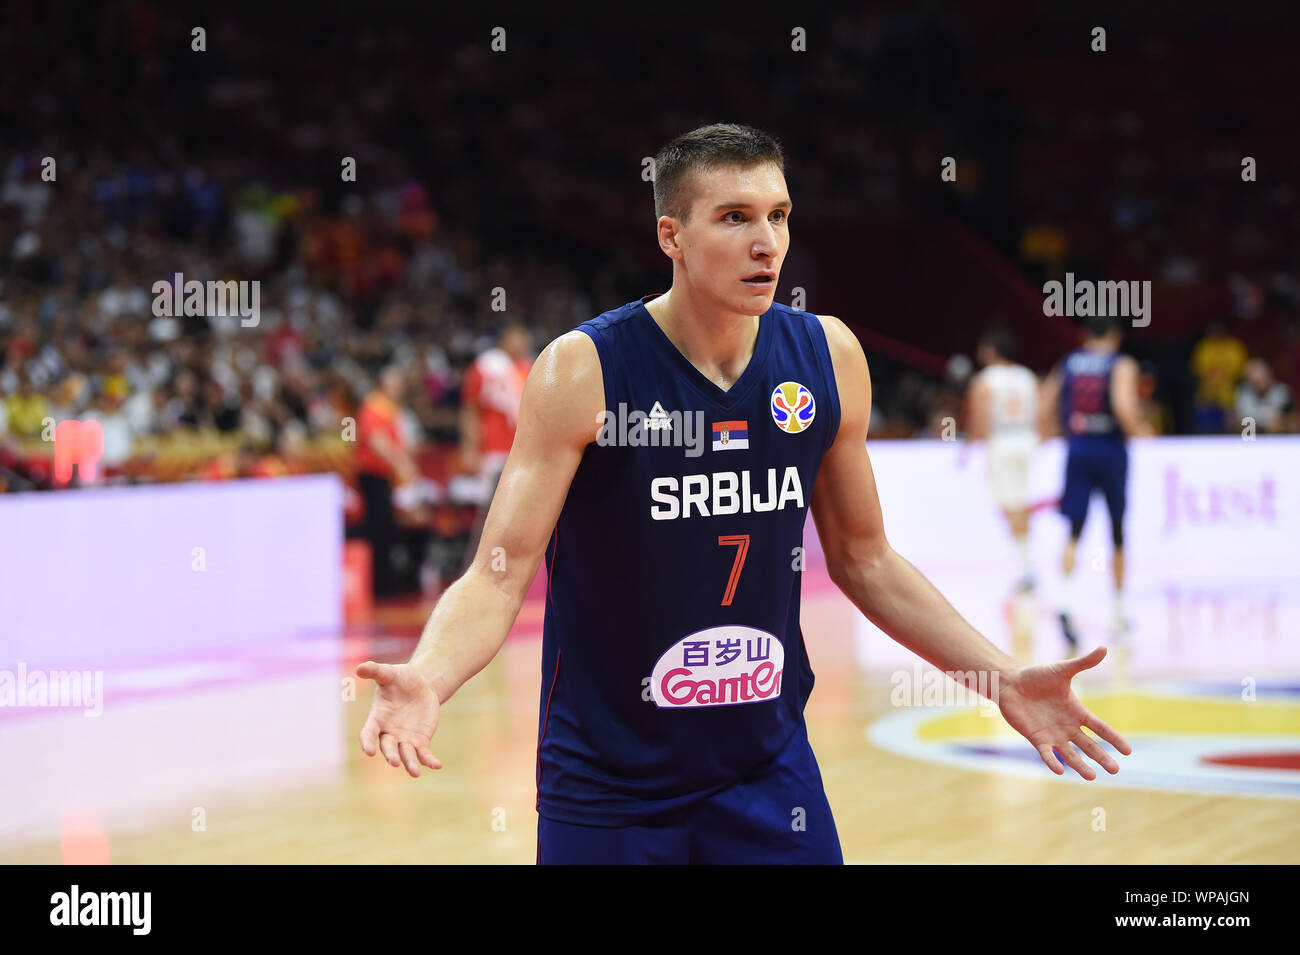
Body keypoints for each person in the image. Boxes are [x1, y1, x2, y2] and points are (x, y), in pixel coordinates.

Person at [356, 123, 1131, 865]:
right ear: (672, 237)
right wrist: (429, 675)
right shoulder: (583, 370)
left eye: (779, 215)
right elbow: (498, 572)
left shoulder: (828, 355)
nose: (768, 243)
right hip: (608, 781)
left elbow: (866, 560)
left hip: (767, 773)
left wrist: (999, 674)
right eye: (735, 218)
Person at [1041, 315, 1144, 653]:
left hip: (1078, 448)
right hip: (1110, 451)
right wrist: (1140, 432)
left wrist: (1056, 431)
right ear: (1115, 335)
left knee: (1074, 530)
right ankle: (1116, 614)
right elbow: (1123, 406)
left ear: (1085, 334)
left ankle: (1067, 604)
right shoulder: (1121, 364)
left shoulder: (1069, 362)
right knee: (1116, 531)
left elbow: (1046, 401)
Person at [966, 325, 1038, 591]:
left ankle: (1026, 567)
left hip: (1002, 441)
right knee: (1018, 501)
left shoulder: (985, 380)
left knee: (1012, 504)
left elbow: (980, 418)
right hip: (1026, 439)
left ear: (992, 350)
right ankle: (1025, 563)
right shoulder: (1027, 377)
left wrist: (970, 445)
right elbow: (1040, 413)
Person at [458, 323, 533, 572]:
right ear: (504, 339)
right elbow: (470, 409)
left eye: (523, 337)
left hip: (521, 451)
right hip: (493, 450)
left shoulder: (527, 368)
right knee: (489, 513)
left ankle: (511, 570)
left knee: (520, 512)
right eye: (516, 337)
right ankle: (474, 569)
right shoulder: (487, 367)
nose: (520, 342)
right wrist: (470, 447)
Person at [354, 364, 420, 598]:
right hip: (373, 476)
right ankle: (378, 586)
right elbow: (377, 442)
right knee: (379, 530)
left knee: (388, 529)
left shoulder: (391, 410)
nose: (398, 391)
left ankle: (387, 581)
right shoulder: (374, 407)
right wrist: (400, 463)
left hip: (387, 478)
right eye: (394, 386)